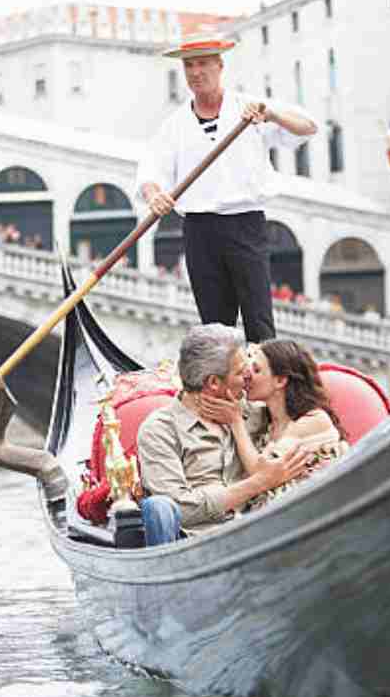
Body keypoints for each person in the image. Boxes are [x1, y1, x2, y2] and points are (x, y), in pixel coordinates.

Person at [136, 33, 318, 344]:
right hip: (198, 229)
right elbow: (151, 170)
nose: (196, 72)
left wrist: (271, 114)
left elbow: (308, 128)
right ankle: (223, 387)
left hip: (245, 222)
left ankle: (265, 384)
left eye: (203, 64)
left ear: (220, 66)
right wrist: (155, 196)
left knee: (258, 320)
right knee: (215, 327)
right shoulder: (175, 125)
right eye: (189, 66)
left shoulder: (251, 109)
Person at [135, 323, 311, 546]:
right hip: (193, 545)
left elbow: (304, 405)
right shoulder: (160, 430)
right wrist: (259, 482)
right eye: (240, 372)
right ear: (214, 383)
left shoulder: (255, 412)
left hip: (262, 534)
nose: (248, 375)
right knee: (159, 506)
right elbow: (180, 507)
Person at [198, 340, 349, 511]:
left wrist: (235, 421)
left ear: (280, 381)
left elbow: (262, 475)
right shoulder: (267, 422)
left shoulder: (313, 420)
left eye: (256, 370)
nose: (248, 376)